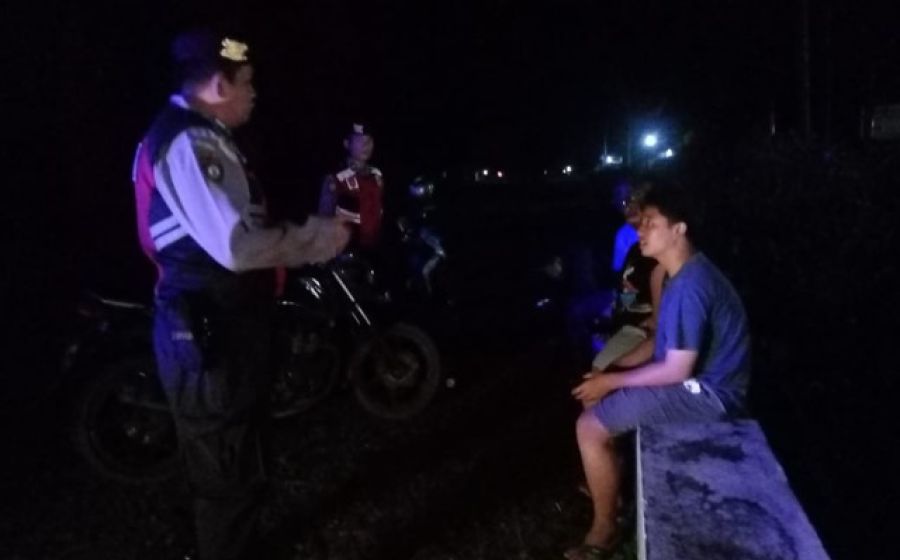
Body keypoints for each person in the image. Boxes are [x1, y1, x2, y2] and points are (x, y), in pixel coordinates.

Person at [131, 28, 350, 560]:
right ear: (217, 85)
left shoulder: (198, 137)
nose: (255, 93)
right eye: (247, 82)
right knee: (226, 475)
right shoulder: (191, 142)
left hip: (220, 328)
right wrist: (319, 238)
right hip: (209, 333)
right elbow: (238, 247)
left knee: (232, 463)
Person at [566, 182, 751, 560]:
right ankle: (611, 490)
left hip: (711, 396)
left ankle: (604, 532)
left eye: (651, 222)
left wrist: (611, 380)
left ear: (678, 229)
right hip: (695, 383)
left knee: (588, 427)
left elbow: (676, 369)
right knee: (595, 402)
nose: (640, 229)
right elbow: (658, 345)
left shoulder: (690, 286)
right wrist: (609, 370)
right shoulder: (679, 276)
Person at [317, 122, 384, 250]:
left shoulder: (377, 175)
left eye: (369, 140)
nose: (366, 145)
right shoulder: (335, 178)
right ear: (347, 144)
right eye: (359, 141)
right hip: (346, 249)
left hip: (374, 248)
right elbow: (323, 218)